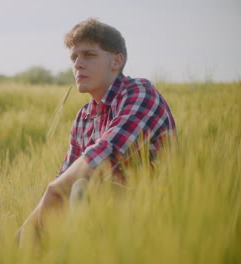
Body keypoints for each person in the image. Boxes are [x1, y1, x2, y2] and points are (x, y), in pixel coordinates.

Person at [17, 18, 177, 246]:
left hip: (159, 217)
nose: (78, 64)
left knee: (84, 189)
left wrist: (54, 192)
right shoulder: (84, 117)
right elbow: (62, 183)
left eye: (89, 55)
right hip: (111, 222)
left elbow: (107, 152)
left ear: (116, 61)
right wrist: (23, 234)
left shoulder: (141, 94)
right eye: (74, 57)